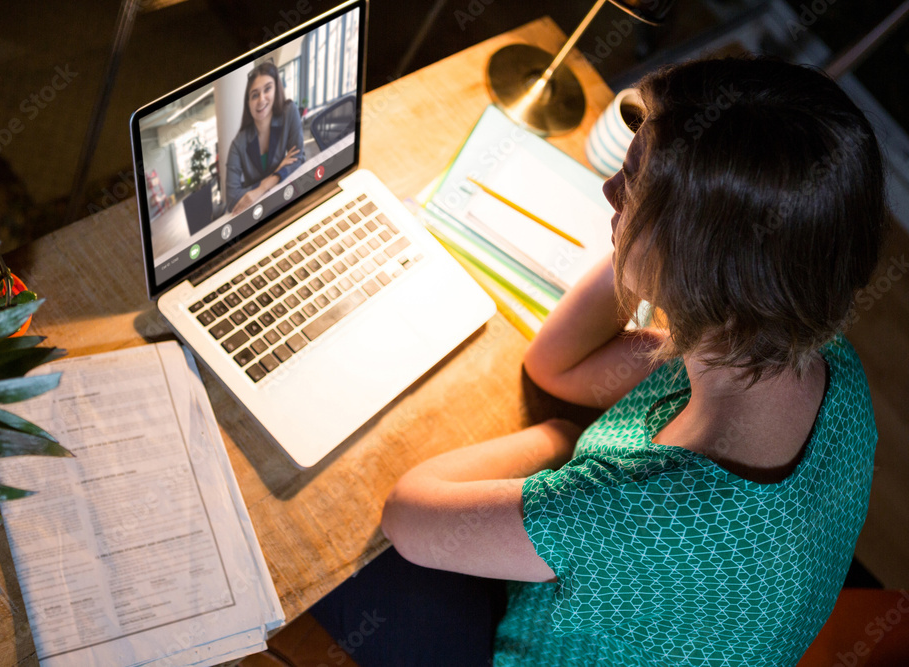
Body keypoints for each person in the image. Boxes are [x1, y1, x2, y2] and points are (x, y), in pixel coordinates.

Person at [313, 56, 889, 665]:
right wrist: (649, 246)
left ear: (697, 256)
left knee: (337, 540)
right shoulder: (811, 355)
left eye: (634, 182)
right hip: (646, 594)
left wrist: (560, 441)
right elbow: (555, 367)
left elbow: (409, 513)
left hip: (535, 634)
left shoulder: (642, 510)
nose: (608, 190)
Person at [225, 60, 305, 214]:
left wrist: (264, 186)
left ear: (276, 89)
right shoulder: (238, 144)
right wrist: (278, 171)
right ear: (248, 103)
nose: (261, 99)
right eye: (255, 95)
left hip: (285, 199)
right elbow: (232, 199)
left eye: (267, 89)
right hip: (254, 212)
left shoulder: (289, 112)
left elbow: (298, 158)